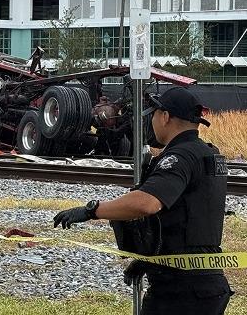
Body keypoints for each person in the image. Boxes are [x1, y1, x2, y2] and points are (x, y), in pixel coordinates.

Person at [53, 86, 232, 315]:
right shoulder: (208, 154)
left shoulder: (180, 157)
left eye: (155, 113)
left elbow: (146, 203)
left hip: (181, 291)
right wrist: (151, 261)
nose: (153, 120)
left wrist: (93, 210)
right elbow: (191, 220)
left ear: (165, 116)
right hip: (203, 283)